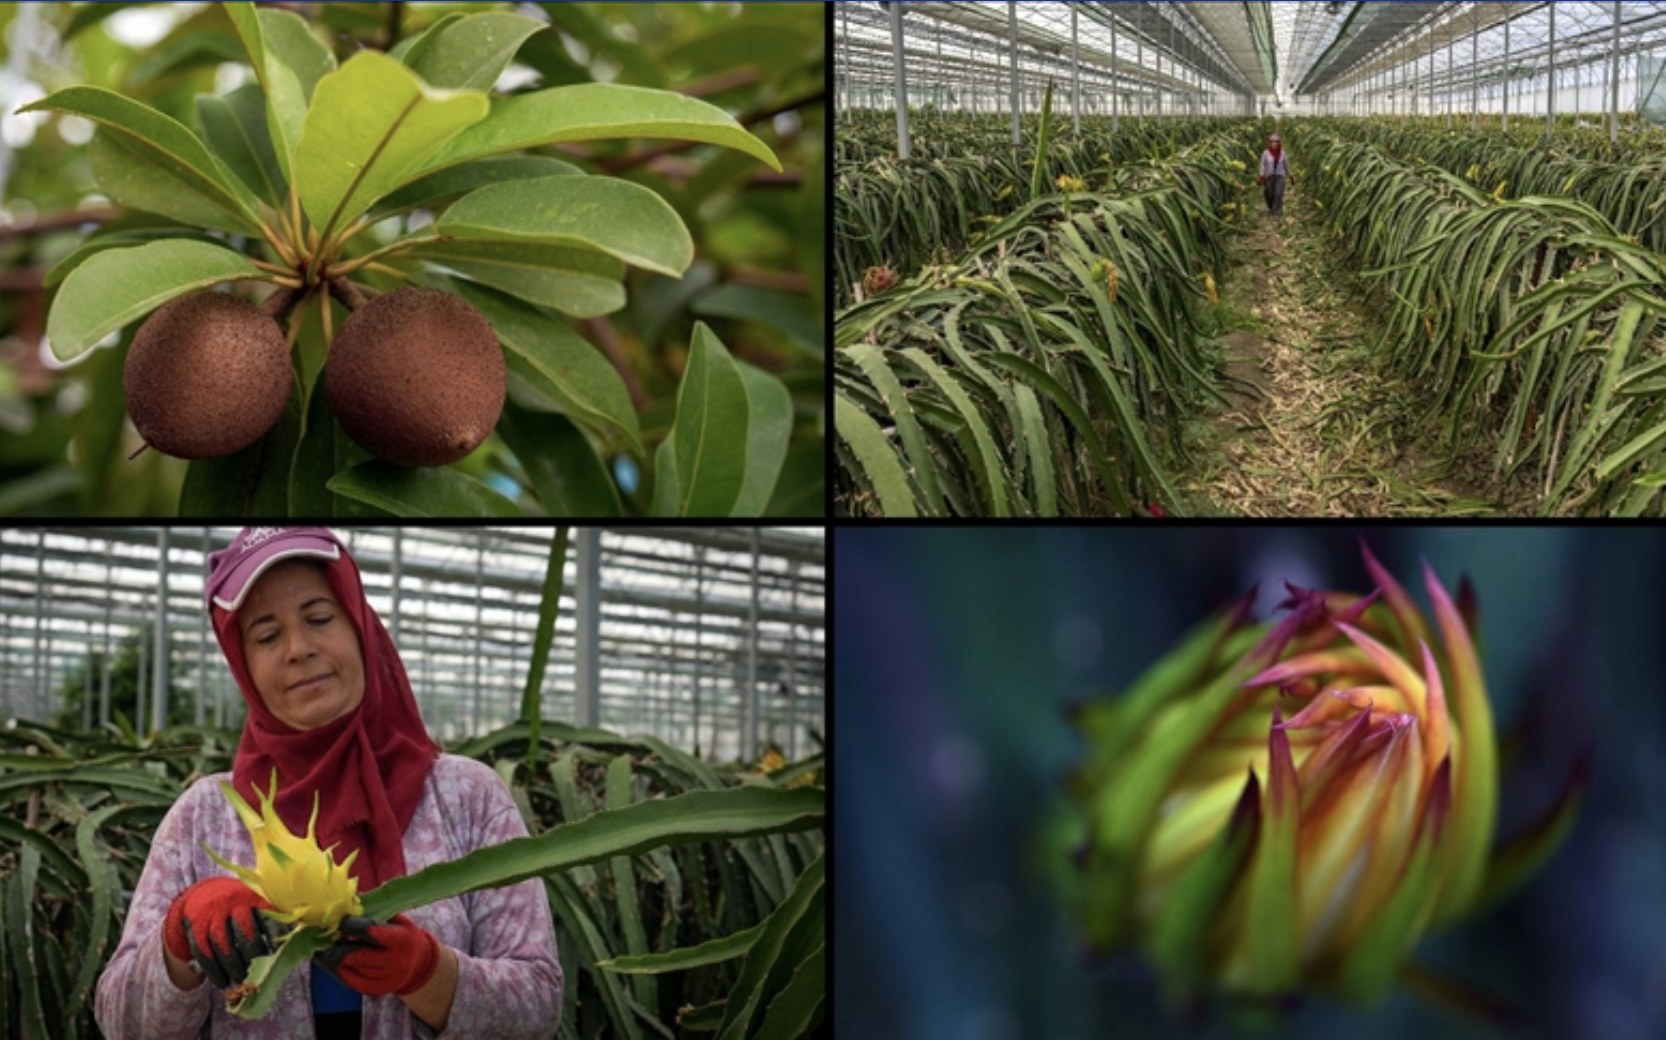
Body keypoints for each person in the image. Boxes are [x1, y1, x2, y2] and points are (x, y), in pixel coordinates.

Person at [96, 526, 563, 1039]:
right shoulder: (206, 815)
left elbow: (539, 1005)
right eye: (267, 636)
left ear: (360, 627)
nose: (298, 648)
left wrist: (430, 973)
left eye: (320, 618)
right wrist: (178, 938)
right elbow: (120, 1023)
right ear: (244, 666)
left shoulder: (468, 798)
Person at [1258, 132, 1292, 217]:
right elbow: (1262, 164)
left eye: (1276, 141)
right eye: (1272, 141)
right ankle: (1272, 208)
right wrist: (1261, 175)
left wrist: (1290, 175)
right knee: (1269, 194)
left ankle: (1277, 212)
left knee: (1278, 193)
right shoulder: (1266, 153)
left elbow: (1286, 164)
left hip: (1280, 176)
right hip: (1269, 177)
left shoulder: (1283, 153)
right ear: (1270, 143)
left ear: (1279, 142)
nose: (1274, 143)